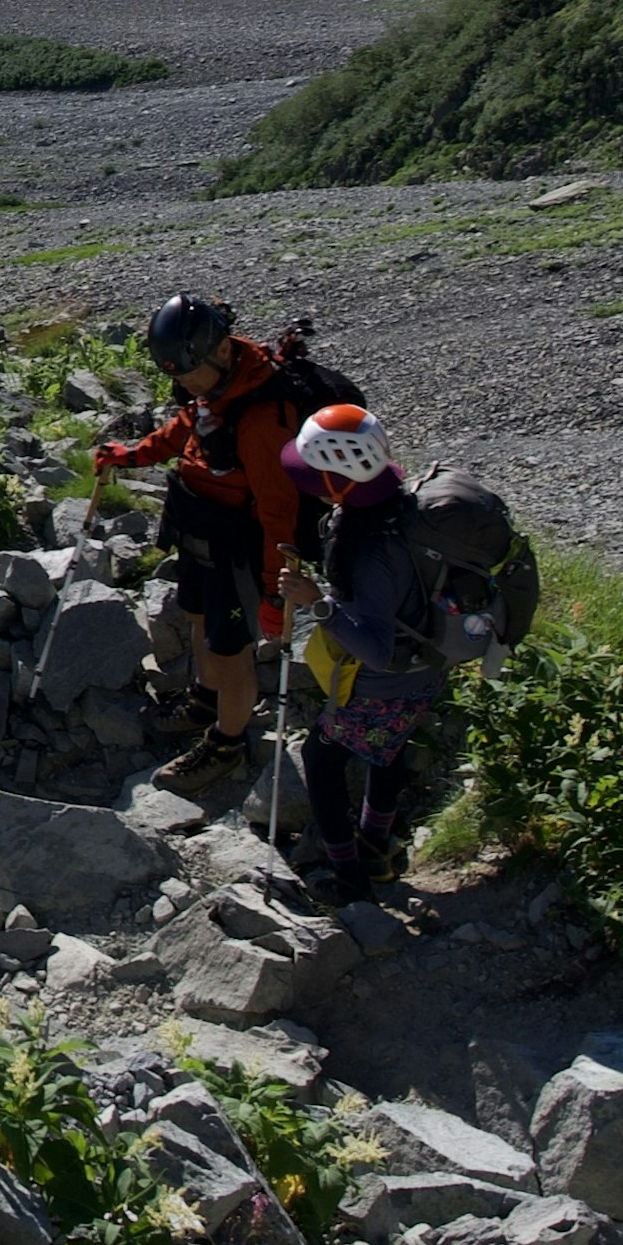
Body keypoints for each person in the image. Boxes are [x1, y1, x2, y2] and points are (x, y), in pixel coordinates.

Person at [91, 294, 313, 787]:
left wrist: (276, 591)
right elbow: (184, 431)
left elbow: (279, 513)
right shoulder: (216, 388)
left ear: (220, 351)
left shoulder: (261, 417)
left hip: (236, 546)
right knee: (197, 618)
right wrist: (130, 456)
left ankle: (226, 743)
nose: (185, 386)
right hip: (198, 527)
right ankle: (204, 697)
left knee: (230, 649)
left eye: (191, 375)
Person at [278, 400, 436, 881]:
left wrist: (315, 603)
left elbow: (375, 649)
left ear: (338, 480)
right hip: (425, 671)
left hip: (384, 683)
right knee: (387, 749)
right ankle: (376, 843)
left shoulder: (371, 552)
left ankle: (348, 874)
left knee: (320, 759)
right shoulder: (401, 509)